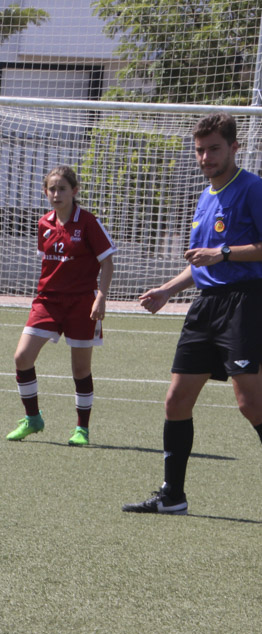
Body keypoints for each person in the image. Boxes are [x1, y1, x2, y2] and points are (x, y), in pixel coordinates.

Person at [124, 113, 262, 515]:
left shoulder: (252, 188)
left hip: (245, 302)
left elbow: (225, 254)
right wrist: (168, 289)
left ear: (234, 148)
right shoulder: (205, 197)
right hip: (205, 306)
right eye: (200, 150)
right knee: (176, 400)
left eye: (214, 148)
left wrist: (222, 253)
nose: (205, 157)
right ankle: (173, 495)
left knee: (250, 403)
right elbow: (199, 262)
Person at [5, 165, 117, 446]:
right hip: (47, 301)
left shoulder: (88, 223)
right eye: (52, 189)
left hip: (82, 303)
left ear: (74, 191)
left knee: (80, 369)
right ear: (46, 192)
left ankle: (82, 429)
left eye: (62, 188)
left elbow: (107, 262)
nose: (56, 194)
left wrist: (101, 296)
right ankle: (32, 418)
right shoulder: (44, 223)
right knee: (22, 357)